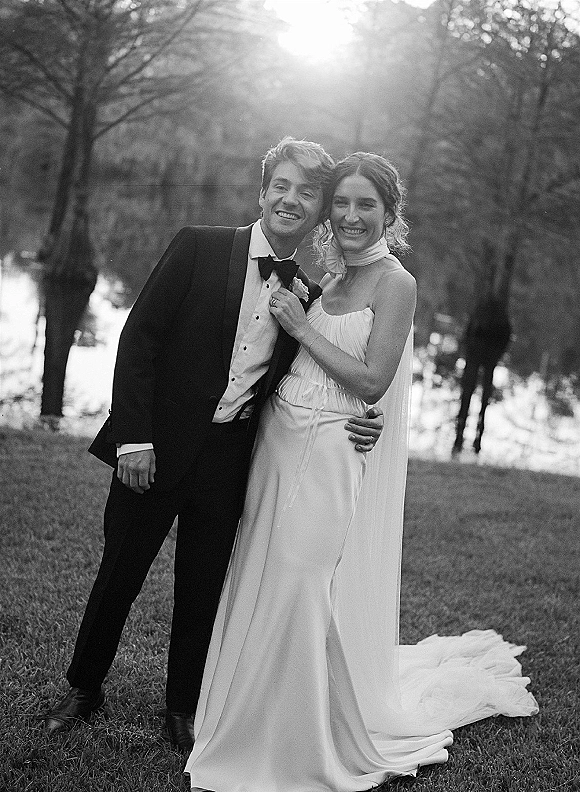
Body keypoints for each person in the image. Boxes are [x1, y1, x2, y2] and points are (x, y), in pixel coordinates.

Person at [184, 152, 539, 791]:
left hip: (328, 450)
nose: (350, 215)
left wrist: (299, 323)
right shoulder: (333, 273)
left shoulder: (394, 283)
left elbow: (374, 378)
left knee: (301, 578)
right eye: (341, 203)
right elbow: (295, 361)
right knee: (260, 572)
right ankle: (242, 713)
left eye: (364, 205)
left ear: (389, 214)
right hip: (277, 439)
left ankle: (302, 737)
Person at [42, 139, 385, 750]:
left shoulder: (305, 292)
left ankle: (181, 708)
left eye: (307, 193)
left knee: (202, 587)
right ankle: (83, 686)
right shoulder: (199, 246)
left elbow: (312, 377)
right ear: (263, 192)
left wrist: (369, 416)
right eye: (281, 186)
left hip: (230, 462)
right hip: (155, 450)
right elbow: (139, 340)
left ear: (318, 213)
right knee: (120, 570)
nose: (291, 200)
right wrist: (133, 440)